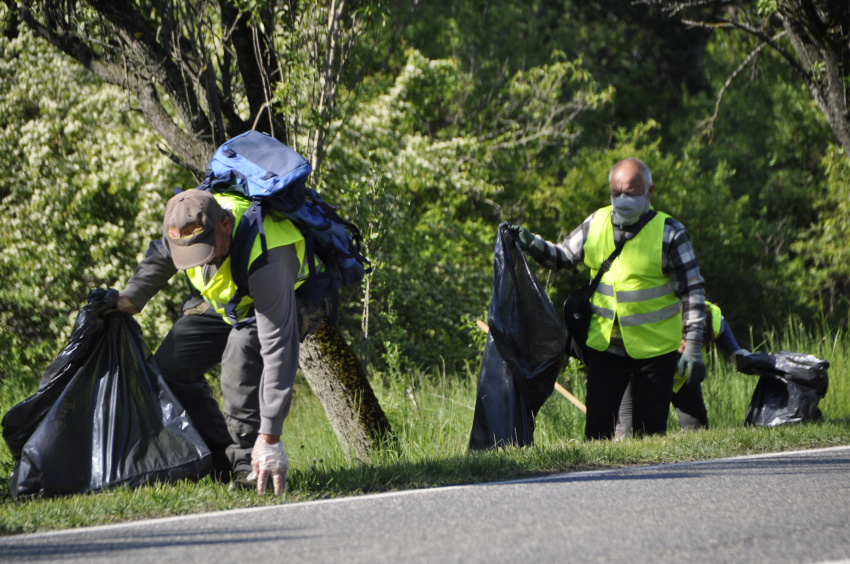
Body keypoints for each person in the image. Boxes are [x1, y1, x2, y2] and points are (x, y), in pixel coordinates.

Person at [112, 188, 315, 495]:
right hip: (230, 303)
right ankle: (224, 463)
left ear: (225, 226)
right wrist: (129, 299)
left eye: (205, 248)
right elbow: (162, 254)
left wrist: (270, 436)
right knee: (167, 368)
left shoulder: (269, 256)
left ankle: (250, 467)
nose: (198, 259)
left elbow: (279, 350)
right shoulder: (186, 225)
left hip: (285, 301)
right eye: (189, 252)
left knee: (241, 349)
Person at [508, 158, 706, 439]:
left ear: (649, 192)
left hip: (655, 351)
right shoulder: (596, 222)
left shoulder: (670, 233)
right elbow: (563, 255)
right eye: (616, 193)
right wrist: (532, 242)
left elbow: (693, 290)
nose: (623, 199)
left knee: (648, 435)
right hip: (605, 348)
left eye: (630, 193)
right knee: (597, 434)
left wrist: (693, 347)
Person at [616, 301, 743, 437]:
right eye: (683, 344)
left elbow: (738, 355)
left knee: (697, 431)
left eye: (698, 345)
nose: (689, 349)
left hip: (681, 379)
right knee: (629, 430)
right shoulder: (655, 321)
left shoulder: (711, 319)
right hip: (639, 376)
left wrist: (745, 359)